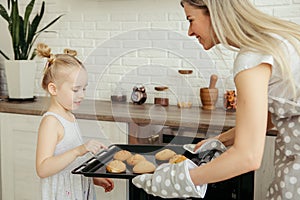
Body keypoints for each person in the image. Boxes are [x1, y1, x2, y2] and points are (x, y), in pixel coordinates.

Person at [133, 0, 300, 199]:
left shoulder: (252, 58)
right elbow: (268, 118)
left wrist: (179, 180)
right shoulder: (274, 39)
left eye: (191, 20)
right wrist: (219, 140)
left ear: (214, 13)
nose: (190, 31)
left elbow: (247, 157)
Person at [35, 43, 114, 200]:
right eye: (75, 90)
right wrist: (80, 150)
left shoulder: (70, 117)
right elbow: (43, 169)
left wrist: (91, 178)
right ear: (53, 89)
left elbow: (71, 164)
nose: (82, 95)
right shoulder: (51, 122)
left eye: (84, 89)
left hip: (77, 190)